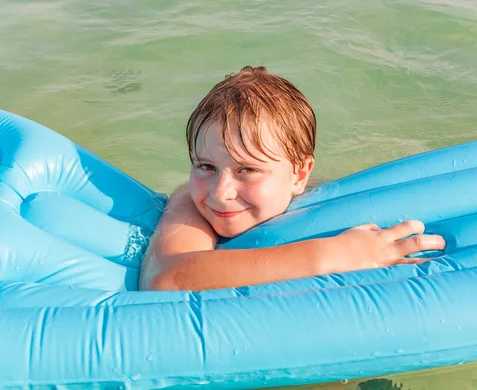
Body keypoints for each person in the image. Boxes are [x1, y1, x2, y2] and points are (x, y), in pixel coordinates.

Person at [139, 66, 445, 291]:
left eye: (247, 170)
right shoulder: (189, 205)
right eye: (205, 166)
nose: (221, 192)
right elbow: (166, 279)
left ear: (299, 175)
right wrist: (335, 254)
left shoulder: (317, 199)